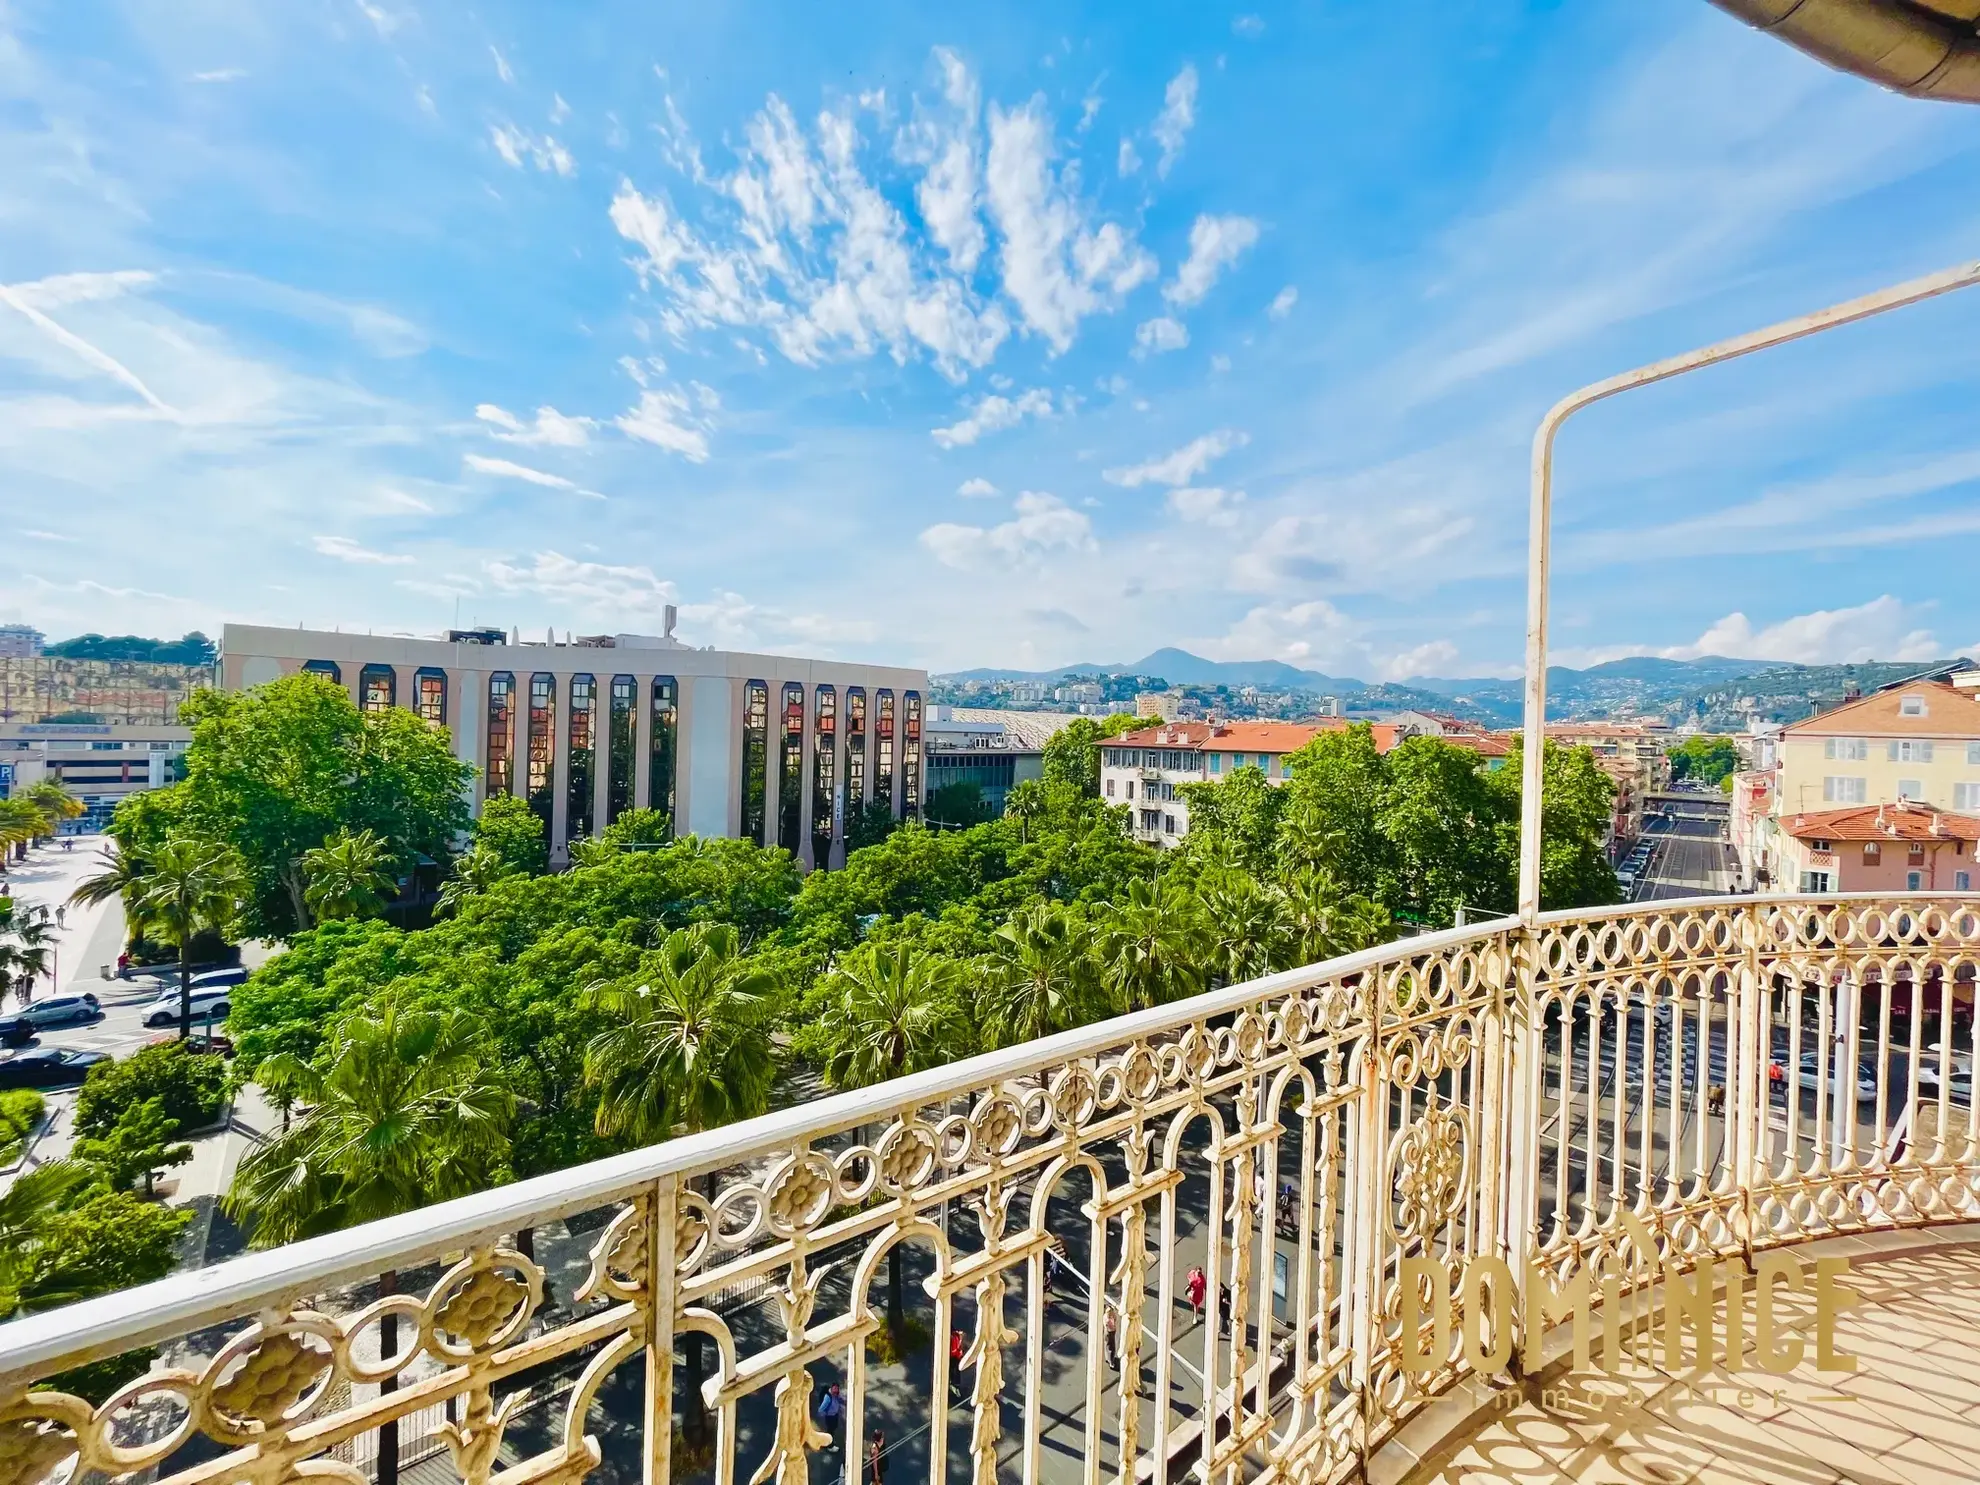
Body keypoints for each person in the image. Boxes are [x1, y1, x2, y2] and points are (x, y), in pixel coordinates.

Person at [818, 1384, 844, 1448]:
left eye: (837, 1389)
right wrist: (825, 1413)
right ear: (831, 1389)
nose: (836, 1391)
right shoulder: (828, 1397)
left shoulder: (835, 1395)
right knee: (830, 1432)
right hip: (830, 1417)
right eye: (835, 1389)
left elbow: (838, 1400)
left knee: (832, 1429)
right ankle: (829, 1446)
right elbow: (821, 1409)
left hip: (834, 1416)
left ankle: (827, 1442)